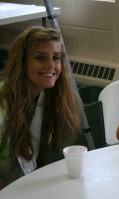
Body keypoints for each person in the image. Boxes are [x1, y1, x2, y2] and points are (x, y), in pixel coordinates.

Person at [0, 26, 82, 189]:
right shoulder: (3, 103)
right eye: (40, 57)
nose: (50, 65)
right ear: (22, 62)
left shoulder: (57, 97)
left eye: (56, 58)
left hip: (27, 185)